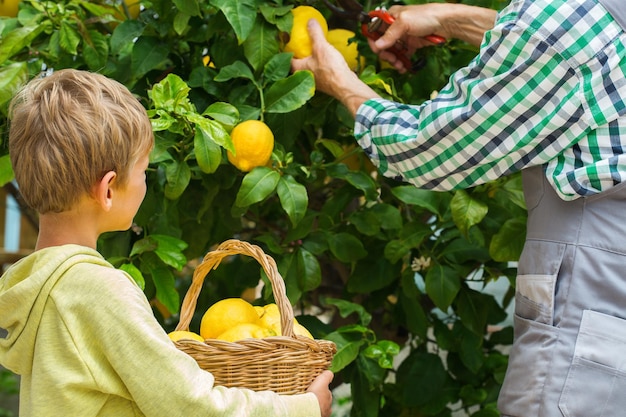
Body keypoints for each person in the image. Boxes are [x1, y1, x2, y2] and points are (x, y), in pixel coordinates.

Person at [292, 0, 626, 416]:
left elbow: (427, 150)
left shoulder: (567, 18)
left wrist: (340, 82)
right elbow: (582, 50)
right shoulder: (592, 20)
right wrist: (453, 20)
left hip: (586, 313)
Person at [0, 69, 333, 417]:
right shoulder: (98, 291)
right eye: (143, 170)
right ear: (109, 189)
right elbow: (190, 405)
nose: (146, 182)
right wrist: (304, 407)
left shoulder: (35, 289)